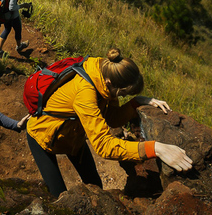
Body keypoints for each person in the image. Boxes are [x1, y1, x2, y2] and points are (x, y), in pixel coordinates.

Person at [26, 48, 193, 197]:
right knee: (59, 197)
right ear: (110, 84)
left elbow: (111, 118)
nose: (121, 98)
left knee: (95, 187)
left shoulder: (105, 71)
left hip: (73, 136)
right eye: (122, 95)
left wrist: (136, 102)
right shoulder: (85, 92)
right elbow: (103, 146)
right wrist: (155, 148)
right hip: (43, 136)